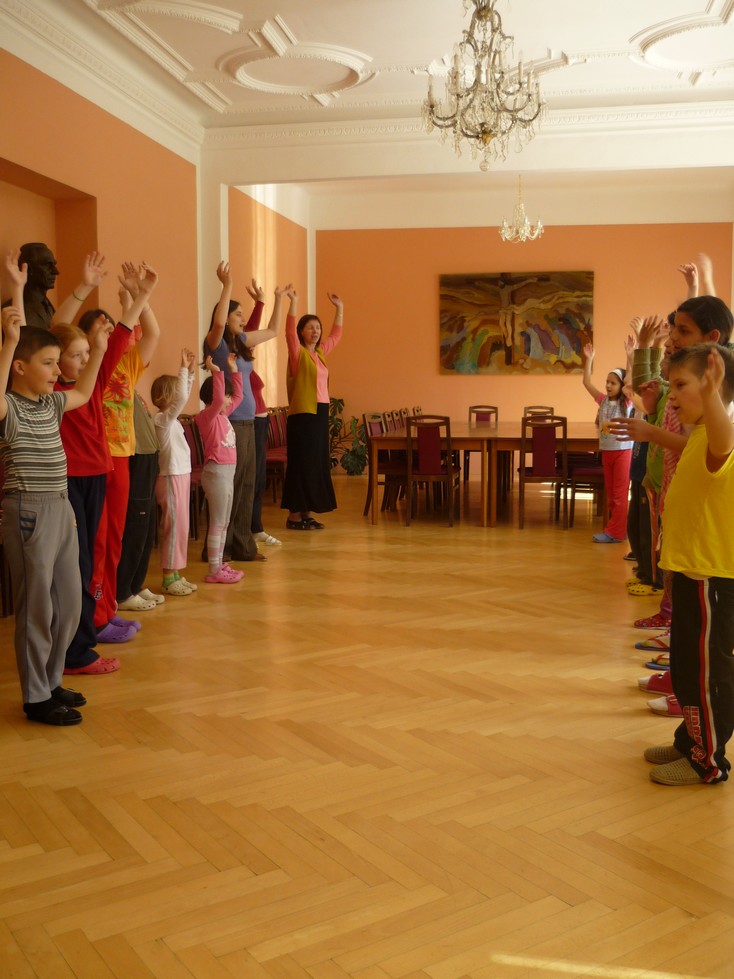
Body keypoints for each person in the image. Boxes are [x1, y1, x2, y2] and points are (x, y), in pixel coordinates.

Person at [0, 252, 108, 725]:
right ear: (20, 368)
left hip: (62, 509)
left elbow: (82, 391)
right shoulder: (9, 407)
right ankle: (36, 696)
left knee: (68, 600)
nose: (55, 370)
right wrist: (9, 342)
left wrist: (98, 350)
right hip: (28, 512)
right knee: (37, 607)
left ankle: (53, 677)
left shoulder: (52, 404)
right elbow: (17, 351)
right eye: (47, 363)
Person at [49, 267, 155, 675]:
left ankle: (89, 633)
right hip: (70, 481)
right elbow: (54, 330)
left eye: (85, 354)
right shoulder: (53, 392)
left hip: (97, 473)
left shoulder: (88, 383)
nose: (85, 359)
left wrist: (141, 296)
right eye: (75, 355)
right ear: (55, 360)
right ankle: (77, 647)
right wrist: (84, 287)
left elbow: (118, 342)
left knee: (94, 554)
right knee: (78, 562)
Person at [644, 343, 734, 785]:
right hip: (689, 573)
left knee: (706, 677)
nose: (673, 395)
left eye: (681, 385)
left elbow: (722, 440)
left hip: (710, 578)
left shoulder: (720, 437)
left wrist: (713, 394)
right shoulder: (698, 434)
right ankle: (689, 742)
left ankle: (708, 762)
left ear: (714, 386)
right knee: (685, 670)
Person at [86, 262, 161, 640]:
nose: (108, 328)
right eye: (99, 325)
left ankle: (108, 607)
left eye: (109, 324)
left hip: (122, 455)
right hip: (95, 459)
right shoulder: (86, 368)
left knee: (115, 536)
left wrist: (137, 294)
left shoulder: (128, 363)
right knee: (98, 539)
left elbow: (152, 333)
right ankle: (96, 614)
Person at [203, 264, 283, 561]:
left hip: (248, 421)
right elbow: (218, 323)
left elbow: (273, 330)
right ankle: (220, 548)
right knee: (232, 486)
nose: (243, 318)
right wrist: (226, 286)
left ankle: (242, 545)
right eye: (238, 314)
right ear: (226, 318)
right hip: (230, 422)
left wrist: (278, 299)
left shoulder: (242, 342)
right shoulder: (216, 345)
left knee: (247, 483)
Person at [281, 289, 343, 530]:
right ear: (301, 332)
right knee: (301, 463)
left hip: (320, 412)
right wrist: (294, 303)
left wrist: (339, 309)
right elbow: (288, 333)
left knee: (314, 463)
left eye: (318, 327)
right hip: (303, 416)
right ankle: (294, 515)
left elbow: (336, 336)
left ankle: (306, 512)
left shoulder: (319, 353)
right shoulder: (297, 353)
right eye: (310, 328)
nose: (315, 331)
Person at [196, 354, 244, 584]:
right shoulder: (207, 416)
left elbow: (239, 395)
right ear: (215, 395)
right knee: (217, 522)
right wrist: (216, 371)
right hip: (216, 474)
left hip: (227, 473)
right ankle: (214, 569)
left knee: (224, 522)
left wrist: (233, 370)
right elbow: (218, 401)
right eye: (226, 395)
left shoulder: (224, 415)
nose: (229, 399)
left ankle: (219, 564)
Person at [151, 349, 197, 596]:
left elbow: (182, 398)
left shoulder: (172, 421)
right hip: (170, 477)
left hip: (180, 475)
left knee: (181, 527)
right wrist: (183, 370)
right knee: (174, 527)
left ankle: (176, 572)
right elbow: (181, 399)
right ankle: (168, 577)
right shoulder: (162, 420)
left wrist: (189, 373)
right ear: (168, 396)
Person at [581, 343, 633, 543]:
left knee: (619, 494)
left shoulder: (626, 402)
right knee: (611, 495)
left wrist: (629, 357)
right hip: (607, 451)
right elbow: (586, 382)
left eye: (613, 383)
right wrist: (589, 359)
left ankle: (615, 533)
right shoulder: (602, 400)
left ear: (621, 386)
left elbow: (629, 382)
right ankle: (618, 528)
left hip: (622, 451)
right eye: (607, 382)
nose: (608, 385)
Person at [17, 242, 58, 329]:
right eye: (48, 265)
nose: (56, 272)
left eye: (54, 265)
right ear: (30, 269)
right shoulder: (17, 310)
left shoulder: (48, 305)